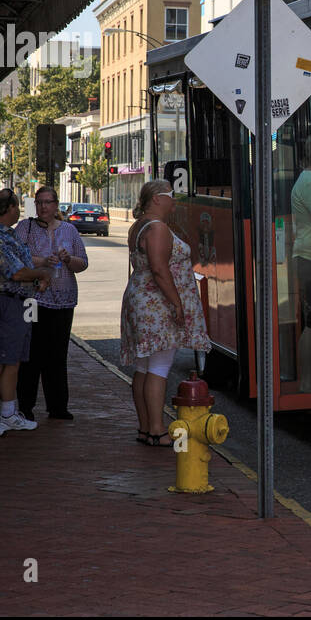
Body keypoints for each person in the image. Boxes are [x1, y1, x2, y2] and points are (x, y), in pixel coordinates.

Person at [121, 179, 211, 447]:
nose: (175, 200)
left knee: (144, 366)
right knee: (159, 367)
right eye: (171, 195)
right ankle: (158, 428)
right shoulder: (158, 228)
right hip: (156, 304)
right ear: (157, 199)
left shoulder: (139, 226)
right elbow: (160, 270)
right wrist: (177, 303)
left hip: (141, 300)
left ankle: (145, 427)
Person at [0, 189, 52, 437]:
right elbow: (15, 272)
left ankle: (8, 413)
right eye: (17, 206)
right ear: (8, 209)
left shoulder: (9, 234)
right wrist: (41, 274)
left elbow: (25, 265)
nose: (19, 211)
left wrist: (37, 273)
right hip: (1, 303)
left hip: (21, 302)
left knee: (14, 360)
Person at [14, 185, 88, 421]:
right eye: (40, 202)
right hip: (33, 299)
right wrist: (43, 260)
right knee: (31, 353)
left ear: (56, 205)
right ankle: (25, 405)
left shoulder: (69, 230)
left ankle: (58, 406)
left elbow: (83, 263)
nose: (44, 207)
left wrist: (68, 259)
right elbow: (16, 256)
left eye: (48, 202)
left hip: (63, 301)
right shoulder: (26, 228)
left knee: (57, 354)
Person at [290, 147, 311, 393]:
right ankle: (306, 382)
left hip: (309, 255)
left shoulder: (306, 178)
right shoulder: (309, 180)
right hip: (310, 257)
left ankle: (308, 381)